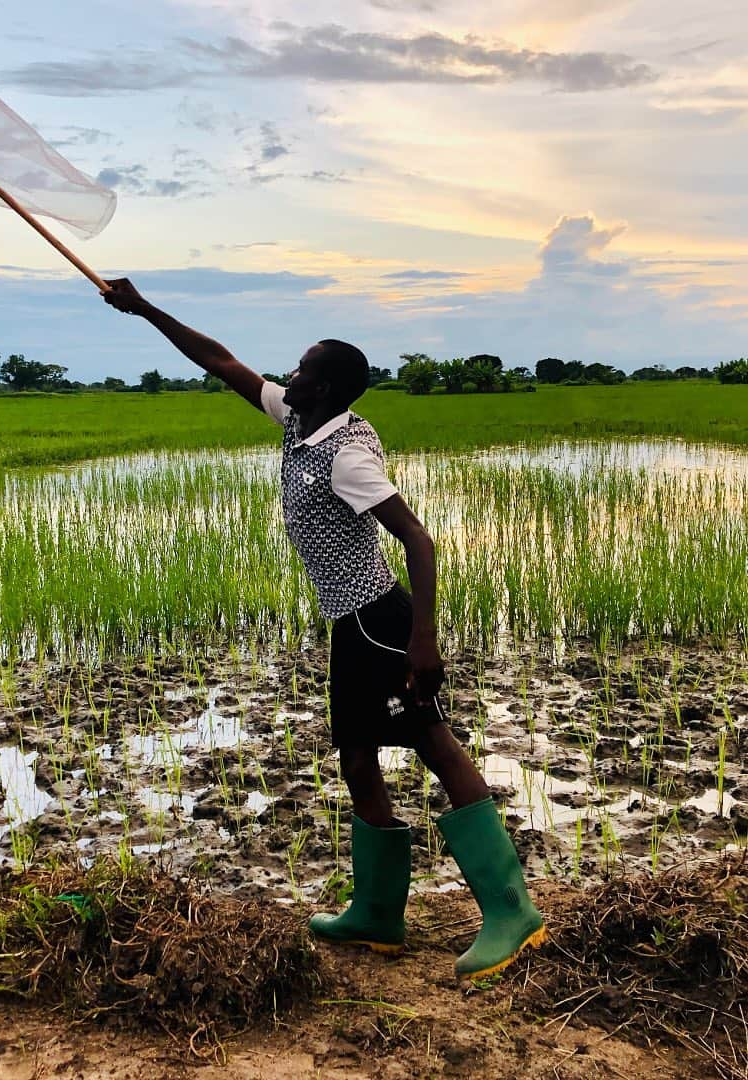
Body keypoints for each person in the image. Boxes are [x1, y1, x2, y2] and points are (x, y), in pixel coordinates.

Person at [102, 278, 546, 980]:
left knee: (434, 744)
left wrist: (423, 640)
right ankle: (377, 914)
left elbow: (418, 542)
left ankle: (511, 912)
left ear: (330, 388)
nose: (292, 374)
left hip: (382, 623)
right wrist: (145, 309)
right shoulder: (297, 420)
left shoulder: (347, 453)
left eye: (306, 368)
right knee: (357, 758)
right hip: (352, 623)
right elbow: (221, 361)